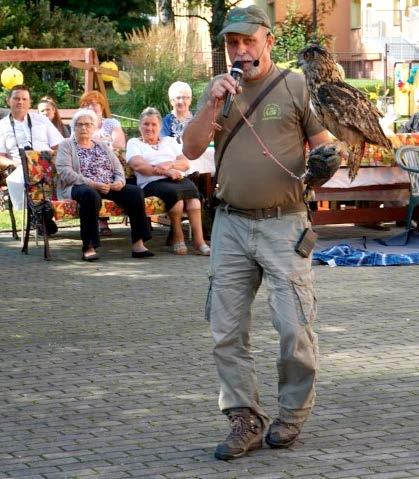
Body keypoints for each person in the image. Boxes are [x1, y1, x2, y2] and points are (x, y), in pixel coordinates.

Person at [183, 5, 330, 460]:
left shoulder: (295, 84)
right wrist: (210, 103)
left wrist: (327, 161)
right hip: (229, 224)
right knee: (225, 330)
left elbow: (323, 143)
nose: (241, 50)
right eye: (233, 42)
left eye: (248, 41)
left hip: (284, 224)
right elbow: (190, 149)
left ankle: (291, 413)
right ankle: (243, 418)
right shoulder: (219, 93)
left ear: (267, 40)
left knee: (293, 328)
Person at [55, 108, 153, 261]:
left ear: (94, 127)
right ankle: (89, 246)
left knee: (135, 193)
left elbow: (117, 167)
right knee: (89, 195)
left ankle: (138, 244)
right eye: (79, 125)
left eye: (88, 124)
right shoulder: (67, 145)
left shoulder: (101, 145)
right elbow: (65, 172)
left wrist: (119, 182)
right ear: (73, 128)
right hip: (79, 186)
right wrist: (93, 184)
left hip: (107, 186)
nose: (84, 128)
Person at [126, 107, 210, 256]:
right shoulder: (134, 143)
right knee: (176, 198)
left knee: (194, 198)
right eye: (146, 124)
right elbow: (139, 166)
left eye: (153, 124)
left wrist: (170, 165)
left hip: (176, 178)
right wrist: (165, 171)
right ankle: (178, 236)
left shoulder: (169, 141)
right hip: (151, 183)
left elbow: (184, 164)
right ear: (140, 126)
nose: (149, 128)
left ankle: (199, 241)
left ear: (159, 127)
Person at [0, 84, 64, 211]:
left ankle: (42, 213)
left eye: (24, 99)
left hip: (48, 165)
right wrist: (16, 164)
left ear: (30, 102)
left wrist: (57, 161)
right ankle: (38, 214)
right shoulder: (1, 125)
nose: (20, 102)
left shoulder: (42, 120)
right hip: (20, 167)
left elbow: (60, 146)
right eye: (16, 98)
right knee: (23, 176)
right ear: (8, 101)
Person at [80, 90, 127, 236]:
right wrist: (105, 144)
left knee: (130, 189)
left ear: (102, 107)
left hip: (112, 167)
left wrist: (95, 144)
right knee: (93, 179)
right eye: (88, 105)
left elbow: (119, 145)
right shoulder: (80, 125)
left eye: (96, 104)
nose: (92, 108)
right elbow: (77, 146)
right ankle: (101, 222)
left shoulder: (111, 123)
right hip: (88, 169)